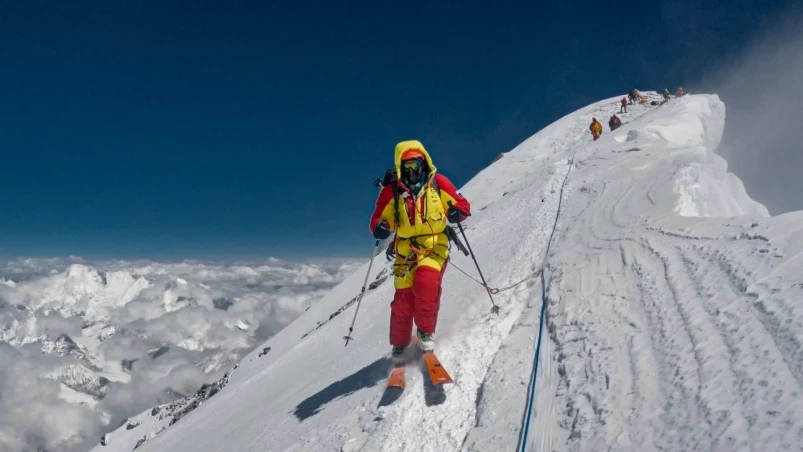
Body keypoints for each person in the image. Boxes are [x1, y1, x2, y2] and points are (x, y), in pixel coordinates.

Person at [369, 140, 471, 360]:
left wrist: (457, 212)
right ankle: (399, 344)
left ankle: (425, 332)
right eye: (407, 166)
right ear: (400, 167)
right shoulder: (393, 191)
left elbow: (462, 204)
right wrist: (380, 227)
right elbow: (378, 217)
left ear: (424, 164)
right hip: (405, 252)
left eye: (416, 165)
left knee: (426, 283)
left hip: (435, 245)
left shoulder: (438, 183)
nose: (412, 171)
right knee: (403, 300)